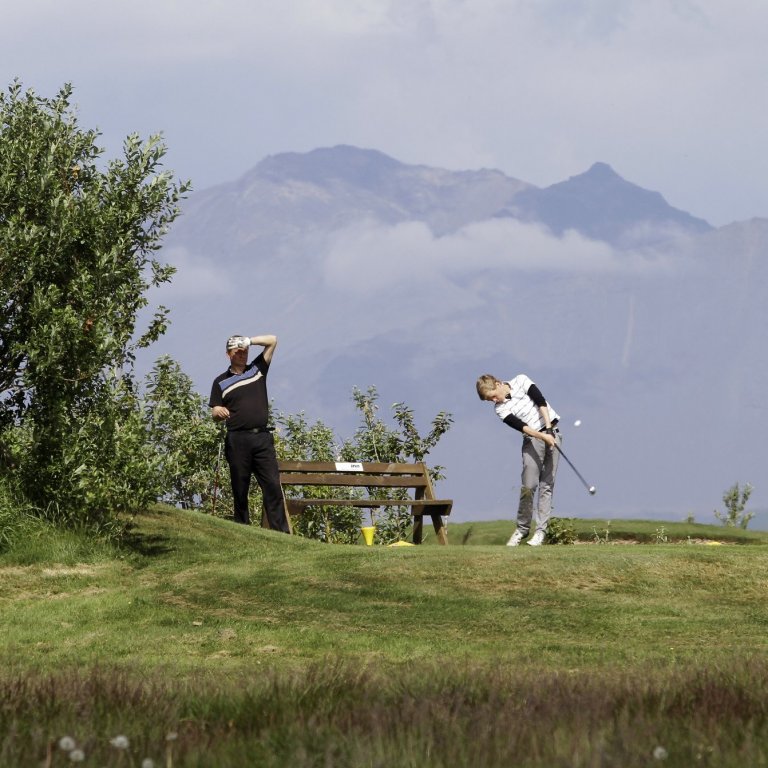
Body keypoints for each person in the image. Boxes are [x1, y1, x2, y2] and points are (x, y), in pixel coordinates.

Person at [209, 334, 290, 532]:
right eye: (238, 352)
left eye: (244, 351)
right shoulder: (220, 382)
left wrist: (249, 341)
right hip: (237, 439)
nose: (242, 355)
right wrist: (218, 412)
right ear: (228, 354)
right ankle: (243, 530)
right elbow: (214, 410)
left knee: (272, 485)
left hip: (261, 438)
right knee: (240, 487)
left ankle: (282, 534)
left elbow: (273, 340)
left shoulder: (257, 369)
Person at [476, 373, 561, 547]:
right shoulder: (500, 409)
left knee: (547, 485)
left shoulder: (521, 380)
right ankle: (522, 529)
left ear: (498, 384)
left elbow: (541, 402)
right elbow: (522, 427)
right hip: (533, 439)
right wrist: (543, 436)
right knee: (529, 486)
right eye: (488, 400)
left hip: (552, 432)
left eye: (492, 396)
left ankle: (540, 533)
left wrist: (550, 430)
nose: (493, 401)